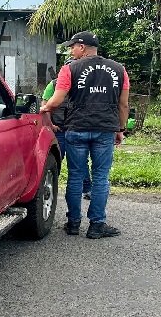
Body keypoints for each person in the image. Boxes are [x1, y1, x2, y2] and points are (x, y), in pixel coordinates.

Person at [41, 31, 130, 239]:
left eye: (73, 47)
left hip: (77, 129)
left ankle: (73, 224)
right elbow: (123, 104)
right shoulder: (119, 70)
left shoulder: (69, 68)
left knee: (76, 176)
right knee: (100, 178)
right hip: (105, 129)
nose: (71, 51)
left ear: (82, 47)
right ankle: (97, 226)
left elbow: (55, 101)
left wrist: (42, 111)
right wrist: (120, 128)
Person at [42, 57, 92, 199]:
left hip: (77, 130)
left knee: (81, 161)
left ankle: (87, 189)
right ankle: (50, 187)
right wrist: (51, 125)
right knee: (55, 161)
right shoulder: (53, 85)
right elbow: (46, 106)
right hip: (59, 131)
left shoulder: (84, 86)